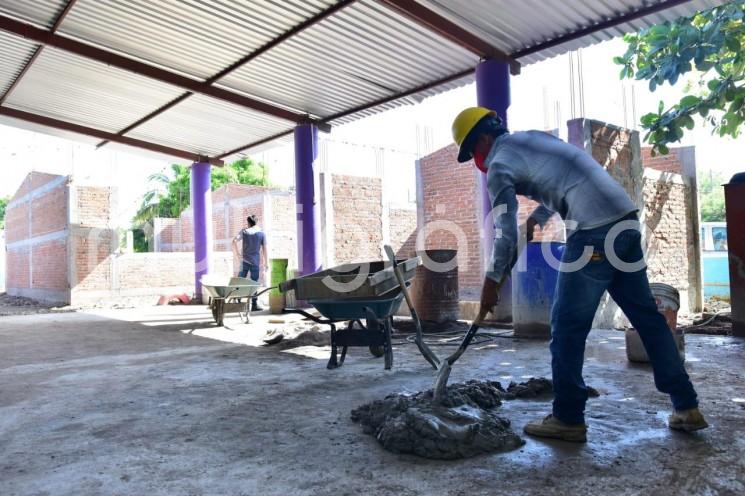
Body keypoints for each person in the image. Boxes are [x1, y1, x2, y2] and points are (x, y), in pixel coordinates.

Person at [451, 107, 707, 442]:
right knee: (647, 319)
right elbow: (568, 175)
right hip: (625, 222)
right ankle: (687, 406)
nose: (476, 160)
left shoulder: (499, 166)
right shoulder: (535, 139)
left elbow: (505, 234)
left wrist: (491, 282)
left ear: (482, 139)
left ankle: (568, 417)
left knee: (567, 327)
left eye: (472, 152)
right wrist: (538, 218)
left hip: (593, 233)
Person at [232, 214, 267, 312]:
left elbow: (234, 241)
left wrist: (237, 254)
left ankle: (237, 301)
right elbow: (265, 249)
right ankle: (254, 305)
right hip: (255, 262)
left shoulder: (244, 231)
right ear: (256, 223)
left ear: (248, 223)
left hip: (244, 262)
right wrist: (265, 263)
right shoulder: (261, 233)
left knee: (240, 280)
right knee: (254, 283)